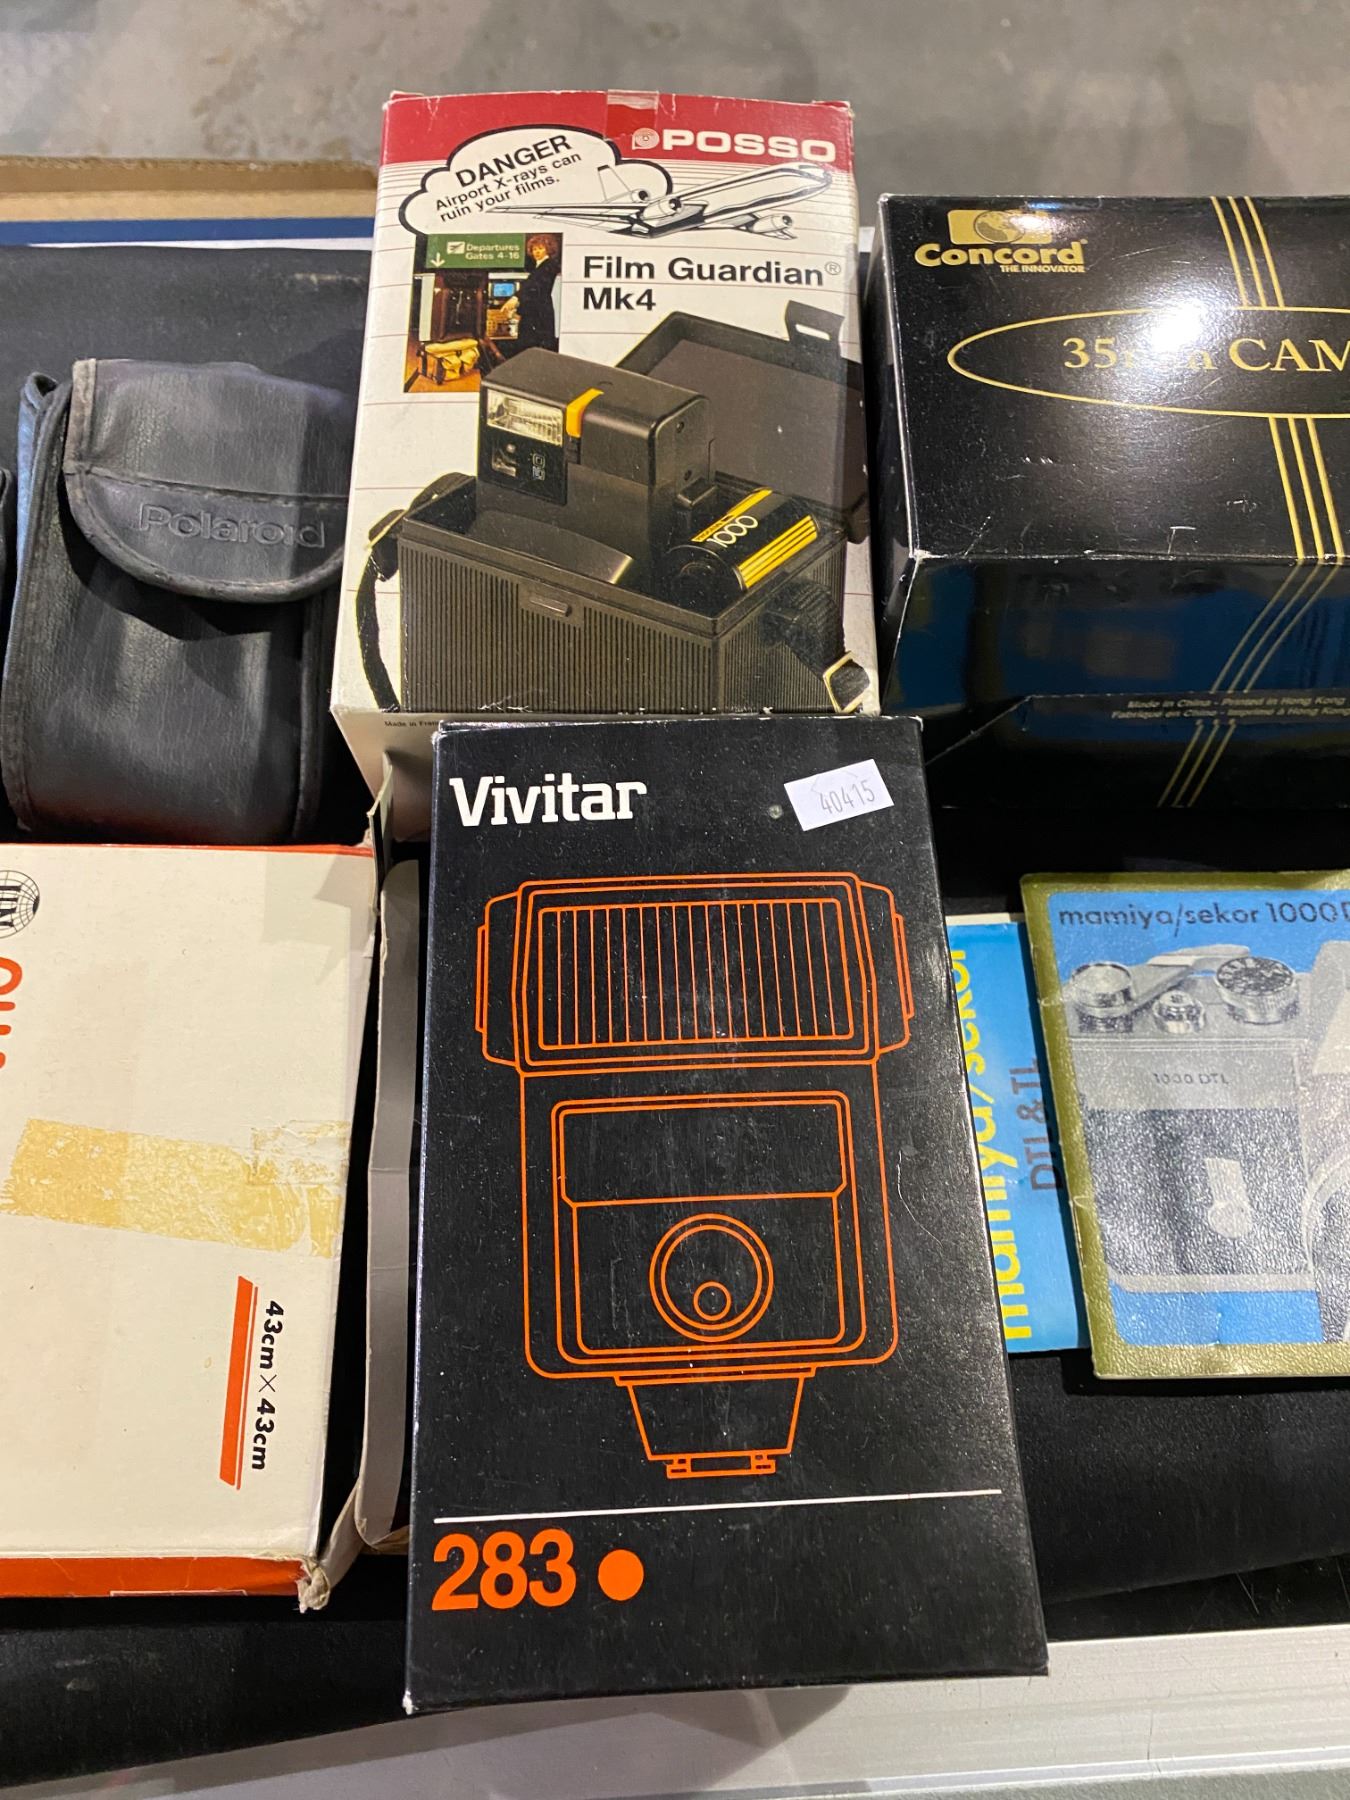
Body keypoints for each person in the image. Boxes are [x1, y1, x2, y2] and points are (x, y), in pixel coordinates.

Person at [504, 236, 559, 353]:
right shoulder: (539, 267)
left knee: (533, 349)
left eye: (540, 248)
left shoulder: (549, 265)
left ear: (548, 249)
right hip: (537, 313)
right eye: (534, 249)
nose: (537, 252)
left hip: (539, 314)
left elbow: (533, 286)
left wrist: (516, 298)